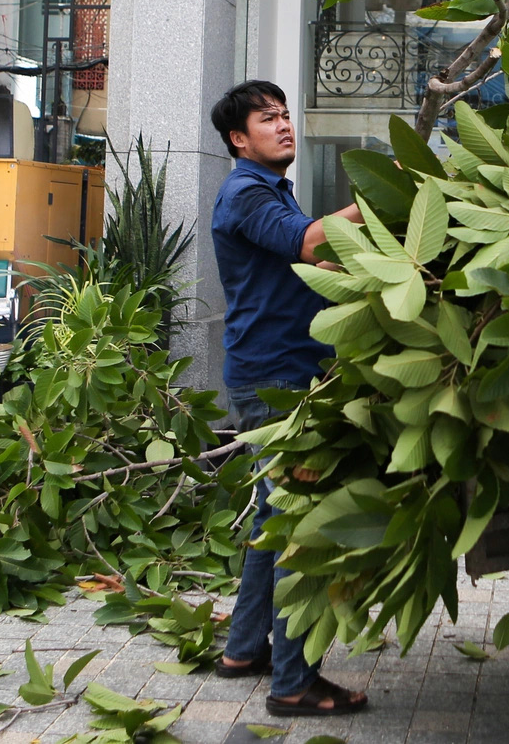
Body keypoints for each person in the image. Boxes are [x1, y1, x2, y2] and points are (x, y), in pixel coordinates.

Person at [208, 80, 369, 719]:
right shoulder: (246, 192)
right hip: (276, 380)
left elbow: (301, 269)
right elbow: (307, 244)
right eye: (265, 119)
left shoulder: (271, 191)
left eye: (283, 114)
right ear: (238, 139)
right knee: (301, 528)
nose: (283, 125)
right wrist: (381, 201)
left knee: (272, 521)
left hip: (277, 369)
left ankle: (245, 649)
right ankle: (294, 683)